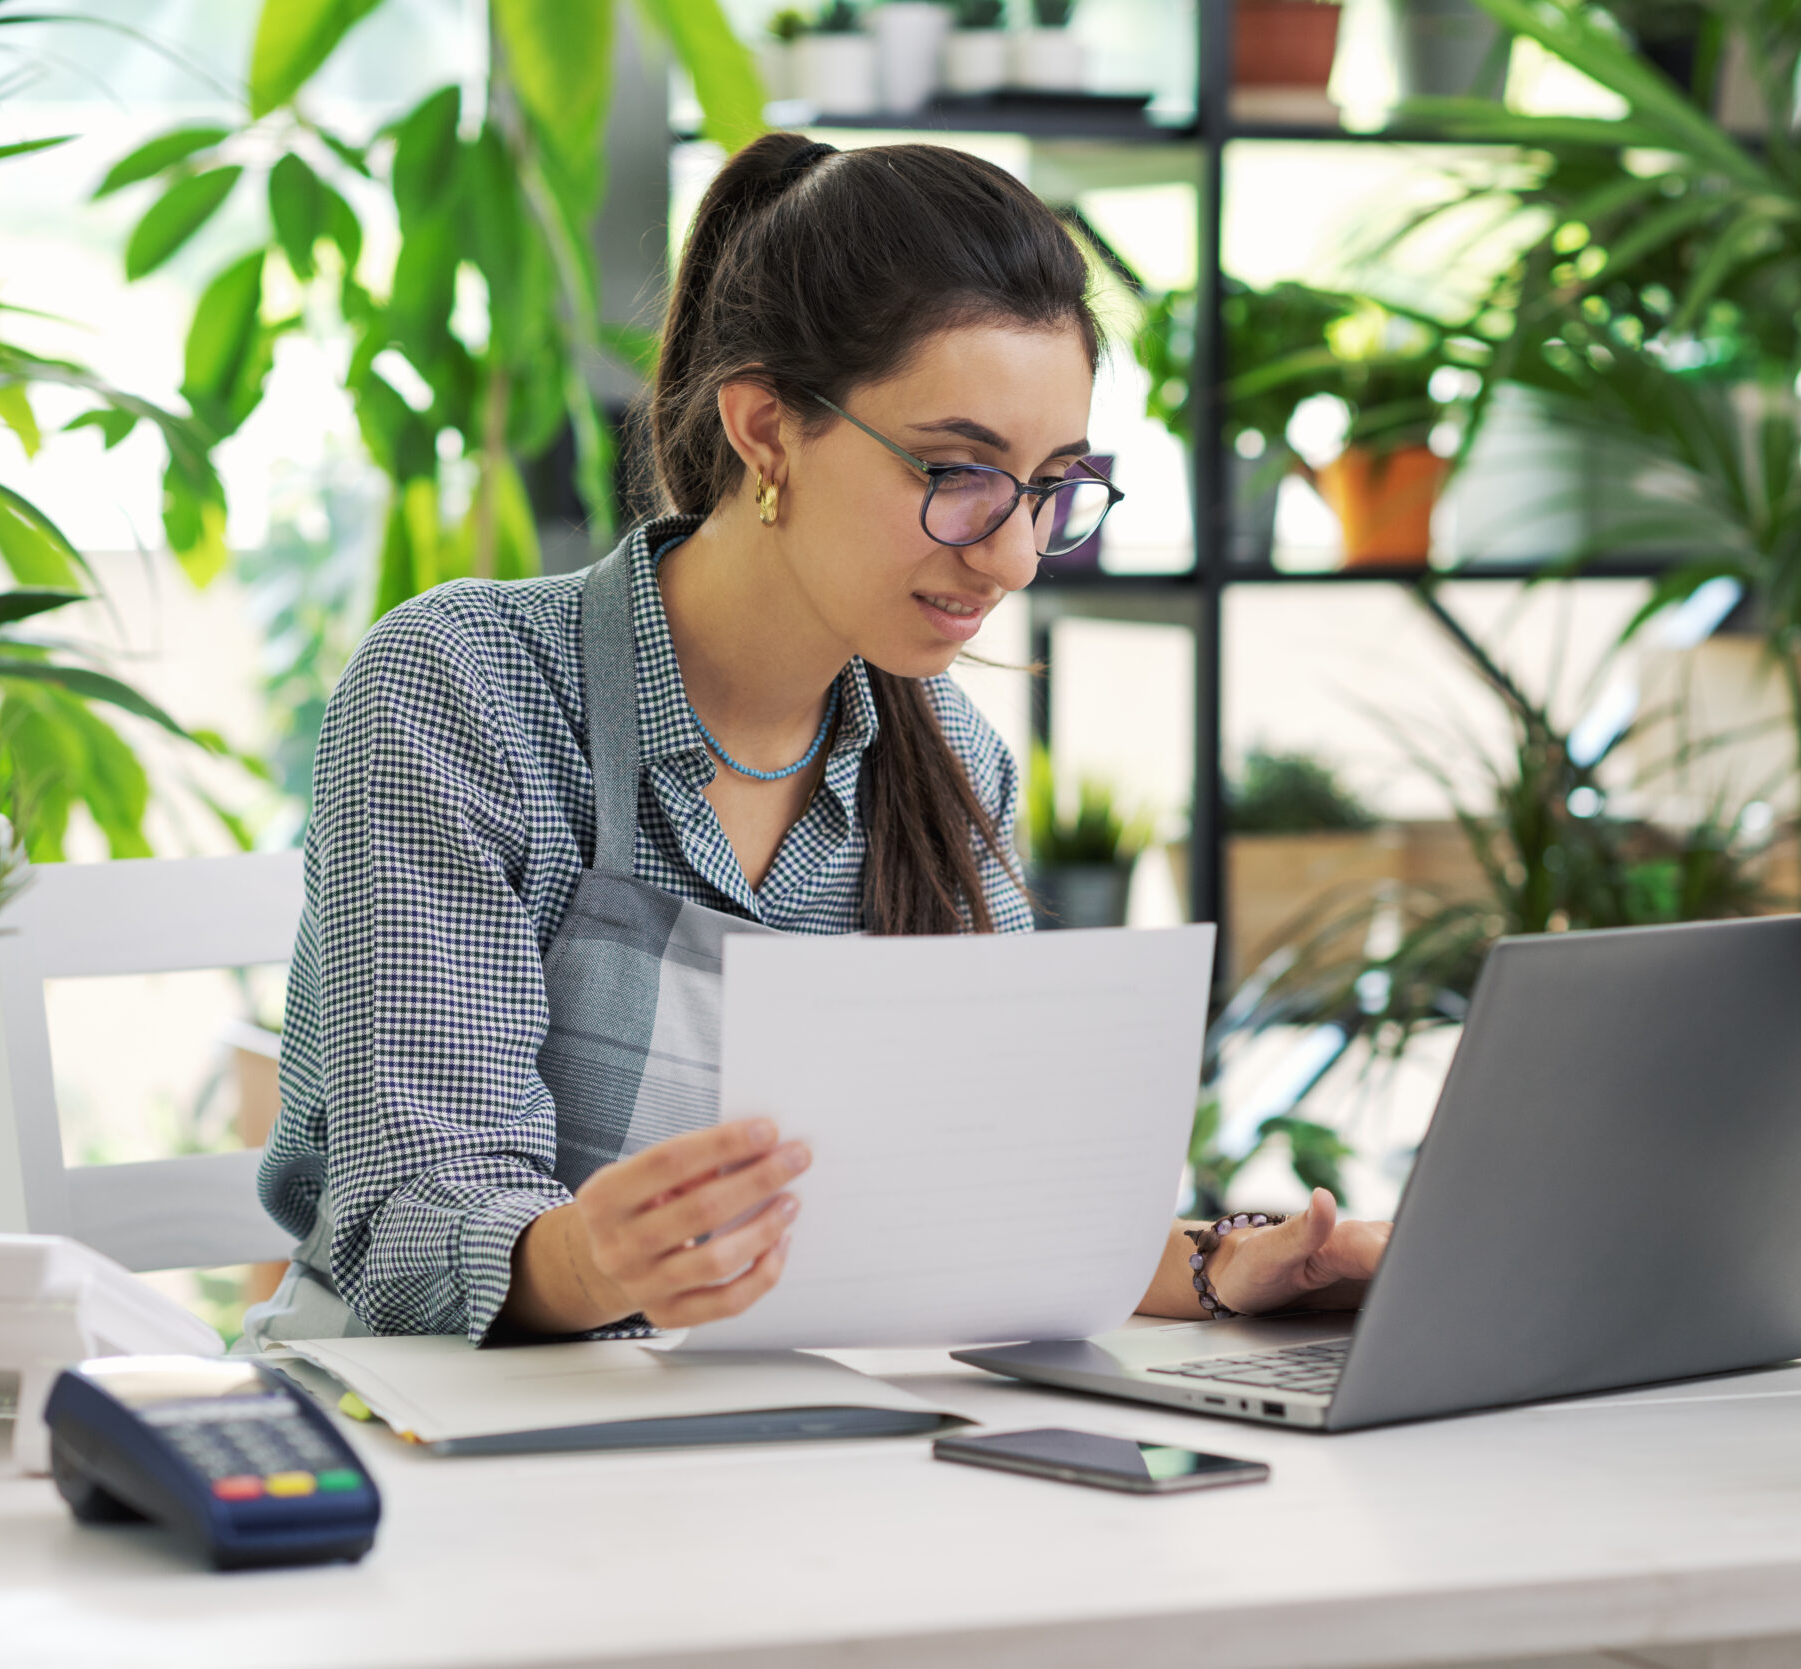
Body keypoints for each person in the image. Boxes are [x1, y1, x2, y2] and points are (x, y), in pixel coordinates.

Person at [245, 132, 1389, 1347]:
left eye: (1051, 484)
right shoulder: (467, 689)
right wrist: (596, 1257)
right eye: (958, 471)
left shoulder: (952, 766)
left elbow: (972, 1208)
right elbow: (407, 1221)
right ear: (765, 430)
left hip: (777, 1450)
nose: (1010, 554)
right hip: (423, 1437)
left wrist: (1225, 1267)